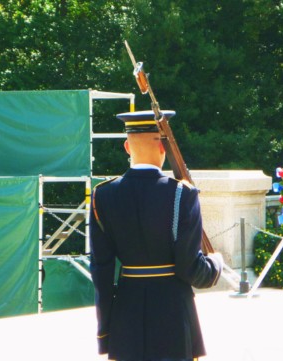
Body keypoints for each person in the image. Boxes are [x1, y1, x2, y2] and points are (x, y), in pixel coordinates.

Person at [89, 110, 223, 361]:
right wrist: (216, 263)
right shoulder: (183, 194)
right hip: (173, 312)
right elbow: (190, 268)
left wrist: (105, 333)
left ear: (127, 147)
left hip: (126, 314)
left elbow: (101, 272)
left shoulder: (102, 195)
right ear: (164, 148)